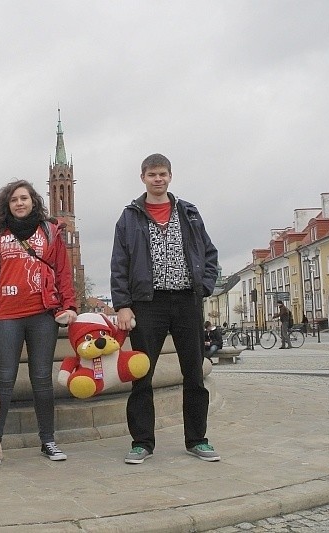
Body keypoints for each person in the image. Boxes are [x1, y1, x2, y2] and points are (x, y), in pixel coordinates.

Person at [110, 153, 220, 464]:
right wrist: (123, 305)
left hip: (186, 300)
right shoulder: (130, 217)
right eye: (152, 175)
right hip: (148, 303)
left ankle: (197, 439)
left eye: (163, 174)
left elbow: (209, 253)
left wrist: (206, 286)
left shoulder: (189, 213)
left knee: (194, 374)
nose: (158, 179)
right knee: (142, 375)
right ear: (142, 177)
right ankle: (142, 442)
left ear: (170, 177)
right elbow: (119, 264)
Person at [0, 179, 78, 462]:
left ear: (33, 201)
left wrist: (69, 306)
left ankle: (48, 440)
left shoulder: (50, 233)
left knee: (41, 379)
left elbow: (63, 273)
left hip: (42, 314)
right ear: (7, 206)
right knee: (3, 380)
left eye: (24, 198)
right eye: (14, 200)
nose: (19, 203)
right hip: (5, 315)